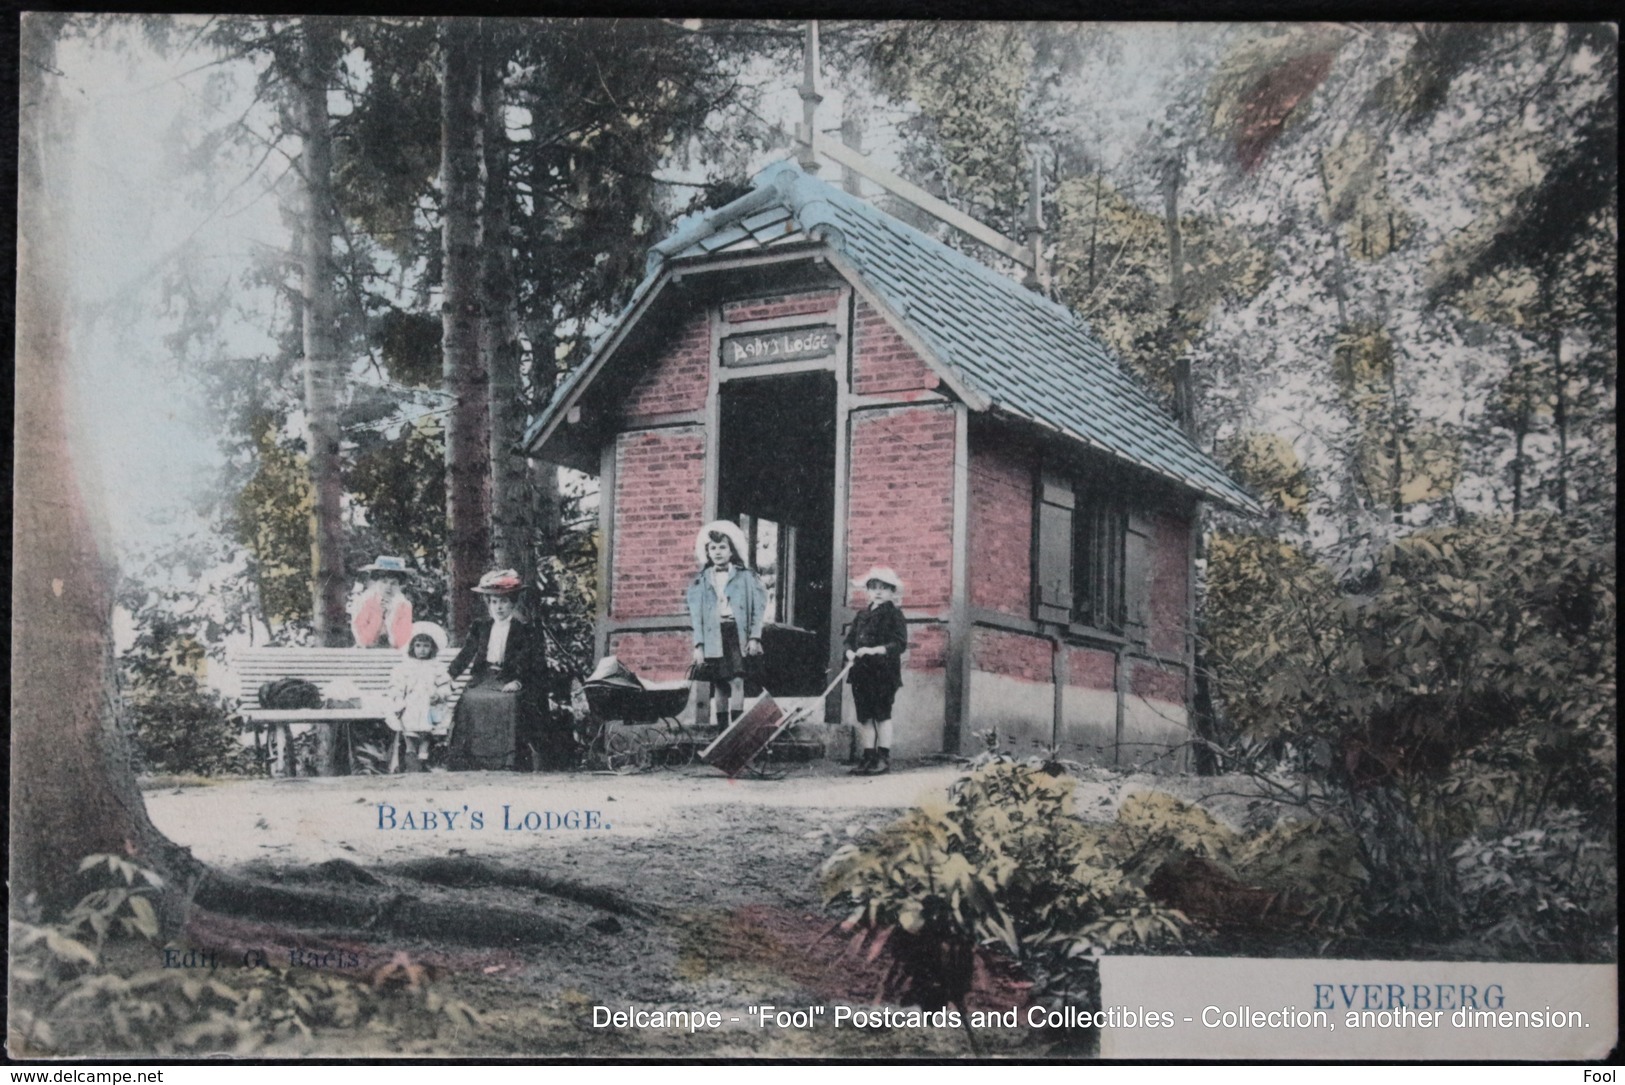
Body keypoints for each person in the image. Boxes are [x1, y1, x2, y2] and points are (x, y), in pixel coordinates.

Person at [445, 569, 555, 770]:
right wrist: (450, 674)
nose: (499, 607)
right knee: (469, 699)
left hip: (510, 677)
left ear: (513, 603)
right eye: (494, 602)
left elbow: (529, 659)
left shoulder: (523, 628)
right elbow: (466, 653)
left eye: (504, 602)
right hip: (484, 677)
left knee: (509, 701)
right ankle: (470, 759)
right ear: (488, 604)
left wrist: (518, 680)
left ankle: (507, 760)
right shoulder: (481, 626)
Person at [685, 520, 767, 727]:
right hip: (714, 634)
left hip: (736, 632)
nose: (718, 552)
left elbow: (758, 609)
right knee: (720, 684)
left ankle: (736, 728)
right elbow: (697, 617)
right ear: (708, 552)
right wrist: (699, 645)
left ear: (732, 552)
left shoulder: (746, 577)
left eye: (723, 547)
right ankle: (722, 730)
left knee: (737, 680)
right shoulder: (702, 581)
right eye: (713, 548)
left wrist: (755, 637)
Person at [844, 566, 908, 776]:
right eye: (873, 588)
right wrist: (850, 653)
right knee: (864, 716)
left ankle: (883, 757)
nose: (878, 592)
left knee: (881, 714)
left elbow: (899, 644)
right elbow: (849, 641)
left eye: (884, 588)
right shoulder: (861, 615)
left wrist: (874, 650)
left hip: (883, 673)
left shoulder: (894, 614)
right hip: (861, 673)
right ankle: (868, 757)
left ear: (892, 592)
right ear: (868, 591)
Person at [387, 621, 451, 772]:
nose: (422, 650)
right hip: (410, 702)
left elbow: (445, 686)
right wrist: (398, 697)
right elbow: (396, 685)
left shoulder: (437, 667)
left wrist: (440, 694)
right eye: (418, 645)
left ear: (432, 648)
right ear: (412, 647)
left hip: (431, 702)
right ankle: (410, 748)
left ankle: (424, 748)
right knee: (407, 713)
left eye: (426, 646)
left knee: (432, 715)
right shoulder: (404, 667)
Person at [351, 556, 414, 649]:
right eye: (384, 582)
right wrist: (379, 613)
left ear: (400, 586)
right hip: (366, 654)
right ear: (377, 582)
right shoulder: (365, 602)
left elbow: (401, 642)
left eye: (393, 583)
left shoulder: (404, 606)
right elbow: (365, 640)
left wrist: (391, 616)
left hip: (395, 655)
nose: (388, 587)